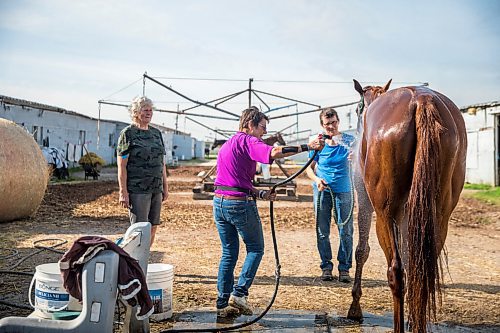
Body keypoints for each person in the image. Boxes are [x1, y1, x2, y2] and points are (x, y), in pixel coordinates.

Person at [213, 106, 324, 317]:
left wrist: (260, 194)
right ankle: (239, 294)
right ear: (250, 125)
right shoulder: (249, 140)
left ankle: (221, 304)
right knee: (255, 248)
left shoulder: (229, 144)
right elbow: (274, 152)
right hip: (238, 204)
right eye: (262, 127)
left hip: (219, 202)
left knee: (229, 253)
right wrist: (307, 146)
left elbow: (234, 181)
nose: (264, 133)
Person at [306, 108, 355, 283]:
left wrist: (355, 159)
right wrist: (317, 180)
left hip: (344, 189)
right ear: (322, 125)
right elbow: (309, 170)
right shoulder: (318, 143)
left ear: (338, 121)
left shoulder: (350, 141)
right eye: (327, 124)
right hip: (322, 190)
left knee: (346, 230)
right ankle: (326, 267)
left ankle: (344, 268)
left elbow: (361, 163)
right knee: (322, 231)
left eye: (334, 122)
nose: (331, 127)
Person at [116, 96, 168, 247]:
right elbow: (122, 166)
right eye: (145, 110)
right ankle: (135, 263)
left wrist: (165, 186)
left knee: (153, 227)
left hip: (155, 188)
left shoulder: (156, 133)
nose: (149, 113)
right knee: (139, 229)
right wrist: (123, 192)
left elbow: (161, 162)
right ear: (136, 112)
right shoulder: (128, 134)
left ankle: (144, 261)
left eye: (151, 110)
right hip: (138, 189)